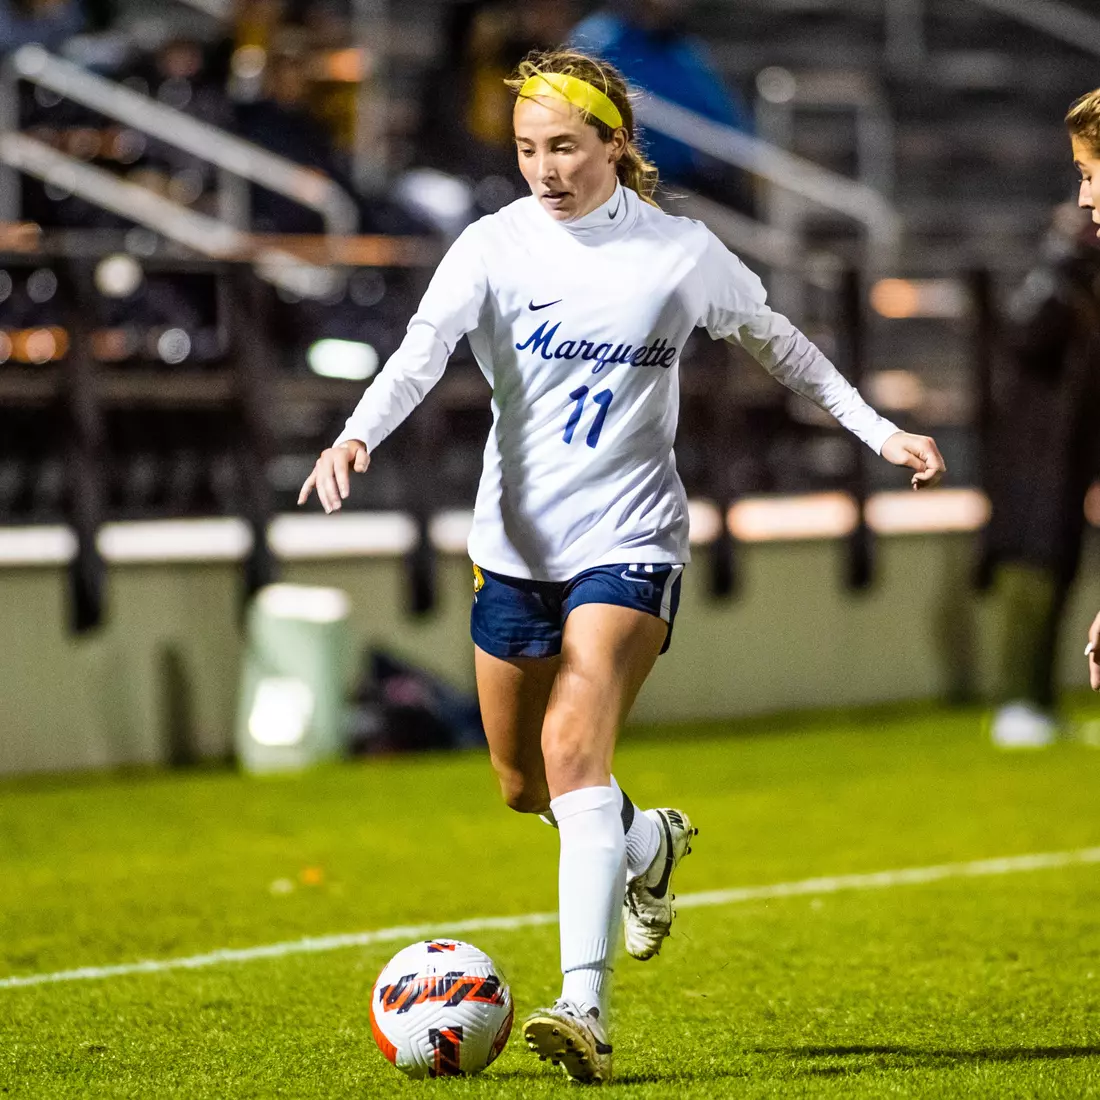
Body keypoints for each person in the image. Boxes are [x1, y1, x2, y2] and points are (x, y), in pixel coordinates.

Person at [298, 48, 945, 1084]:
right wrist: (353, 433)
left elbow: (782, 344)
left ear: (614, 142)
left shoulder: (679, 253)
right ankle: (644, 841)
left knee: (571, 747)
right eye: (525, 148)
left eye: (563, 145)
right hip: (511, 552)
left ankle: (582, 1005)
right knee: (521, 784)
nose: (543, 168)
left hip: (630, 543)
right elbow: (419, 348)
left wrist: (878, 434)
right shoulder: (490, 245)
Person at [984, 201, 1100, 748]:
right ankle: (1017, 700)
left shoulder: (1082, 296)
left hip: (1068, 459)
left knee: (1061, 572)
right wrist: (1061, 266)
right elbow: (1024, 335)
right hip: (1033, 461)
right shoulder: (1048, 288)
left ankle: (1043, 700)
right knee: (1032, 575)